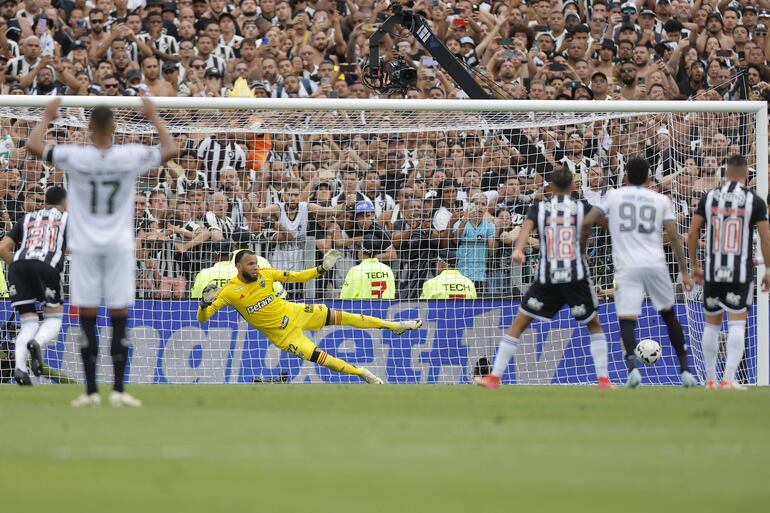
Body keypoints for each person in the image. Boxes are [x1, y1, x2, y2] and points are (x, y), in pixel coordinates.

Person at [26, 98, 178, 407]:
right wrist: (153, 117)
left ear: (89, 127)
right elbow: (171, 150)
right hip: (120, 246)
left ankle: (91, 392)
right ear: (115, 127)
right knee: (120, 317)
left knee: (87, 318)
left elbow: (32, 145)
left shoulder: (75, 156)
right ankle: (120, 391)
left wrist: (48, 115)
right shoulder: (130, 155)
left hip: (84, 248)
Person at [197, 249, 422, 384]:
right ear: (238, 267)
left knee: (344, 316)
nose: (256, 267)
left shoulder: (267, 274)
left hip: (295, 312)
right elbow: (203, 319)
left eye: (256, 263)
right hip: (284, 337)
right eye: (250, 264)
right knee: (322, 358)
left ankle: (393, 325)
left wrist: (321, 269)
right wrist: (203, 305)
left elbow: (298, 277)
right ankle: (362, 373)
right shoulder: (229, 291)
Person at [475, 168, 610, 389]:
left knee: (520, 323)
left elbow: (525, 230)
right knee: (594, 324)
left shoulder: (540, 207)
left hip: (548, 274)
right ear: (573, 187)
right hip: (575, 273)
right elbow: (602, 223)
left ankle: (494, 378)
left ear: (551, 188)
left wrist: (518, 250)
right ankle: (604, 380)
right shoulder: (582, 206)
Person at [581, 157, 697, 389]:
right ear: (648, 179)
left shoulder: (614, 196)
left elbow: (588, 221)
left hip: (627, 266)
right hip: (655, 263)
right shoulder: (661, 199)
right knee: (668, 314)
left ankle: (632, 369)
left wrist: (584, 250)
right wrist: (685, 271)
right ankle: (685, 371)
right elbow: (674, 237)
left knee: (627, 318)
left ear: (625, 177)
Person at [687, 155, 770, 390]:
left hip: (713, 270)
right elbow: (766, 239)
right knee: (736, 325)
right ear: (746, 174)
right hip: (739, 270)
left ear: (725, 174)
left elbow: (692, 234)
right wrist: (768, 270)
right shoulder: (754, 200)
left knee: (712, 325)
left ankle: (710, 379)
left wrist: (695, 266)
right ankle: (728, 379)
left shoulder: (710, 196)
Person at [0, 186, 67, 385]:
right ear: (64, 202)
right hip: (46, 266)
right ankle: (37, 343)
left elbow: (2, 247)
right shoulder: (66, 219)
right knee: (53, 317)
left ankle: (20, 370)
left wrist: (17, 268)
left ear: (45, 201)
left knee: (28, 322)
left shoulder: (27, 218)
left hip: (18, 268)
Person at [190, 244, 286, 300]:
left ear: (214, 256)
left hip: (212, 317)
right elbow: (281, 294)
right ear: (232, 255)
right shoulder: (241, 273)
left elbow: (194, 299)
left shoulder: (204, 273)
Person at [340, 234, 397, 299]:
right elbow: (391, 294)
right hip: (384, 308)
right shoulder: (387, 269)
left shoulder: (355, 271)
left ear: (362, 250)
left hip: (362, 308)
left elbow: (345, 297)